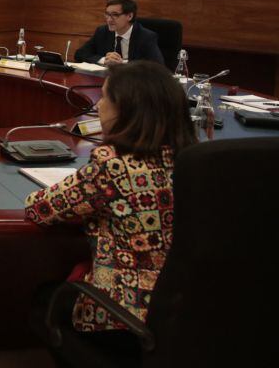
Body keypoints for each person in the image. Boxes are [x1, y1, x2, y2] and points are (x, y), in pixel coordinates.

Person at [25, 61, 197, 361]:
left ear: (127, 110)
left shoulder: (113, 164)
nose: (99, 107)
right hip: (185, 311)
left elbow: (40, 209)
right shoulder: (192, 160)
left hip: (122, 316)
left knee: (44, 301)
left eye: (105, 98)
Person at [74, 0, 164, 66]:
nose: (109, 20)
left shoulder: (146, 36)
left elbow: (156, 66)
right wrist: (104, 60)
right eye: (107, 14)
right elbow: (80, 54)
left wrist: (123, 64)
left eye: (115, 15)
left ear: (129, 16)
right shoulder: (102, 31)